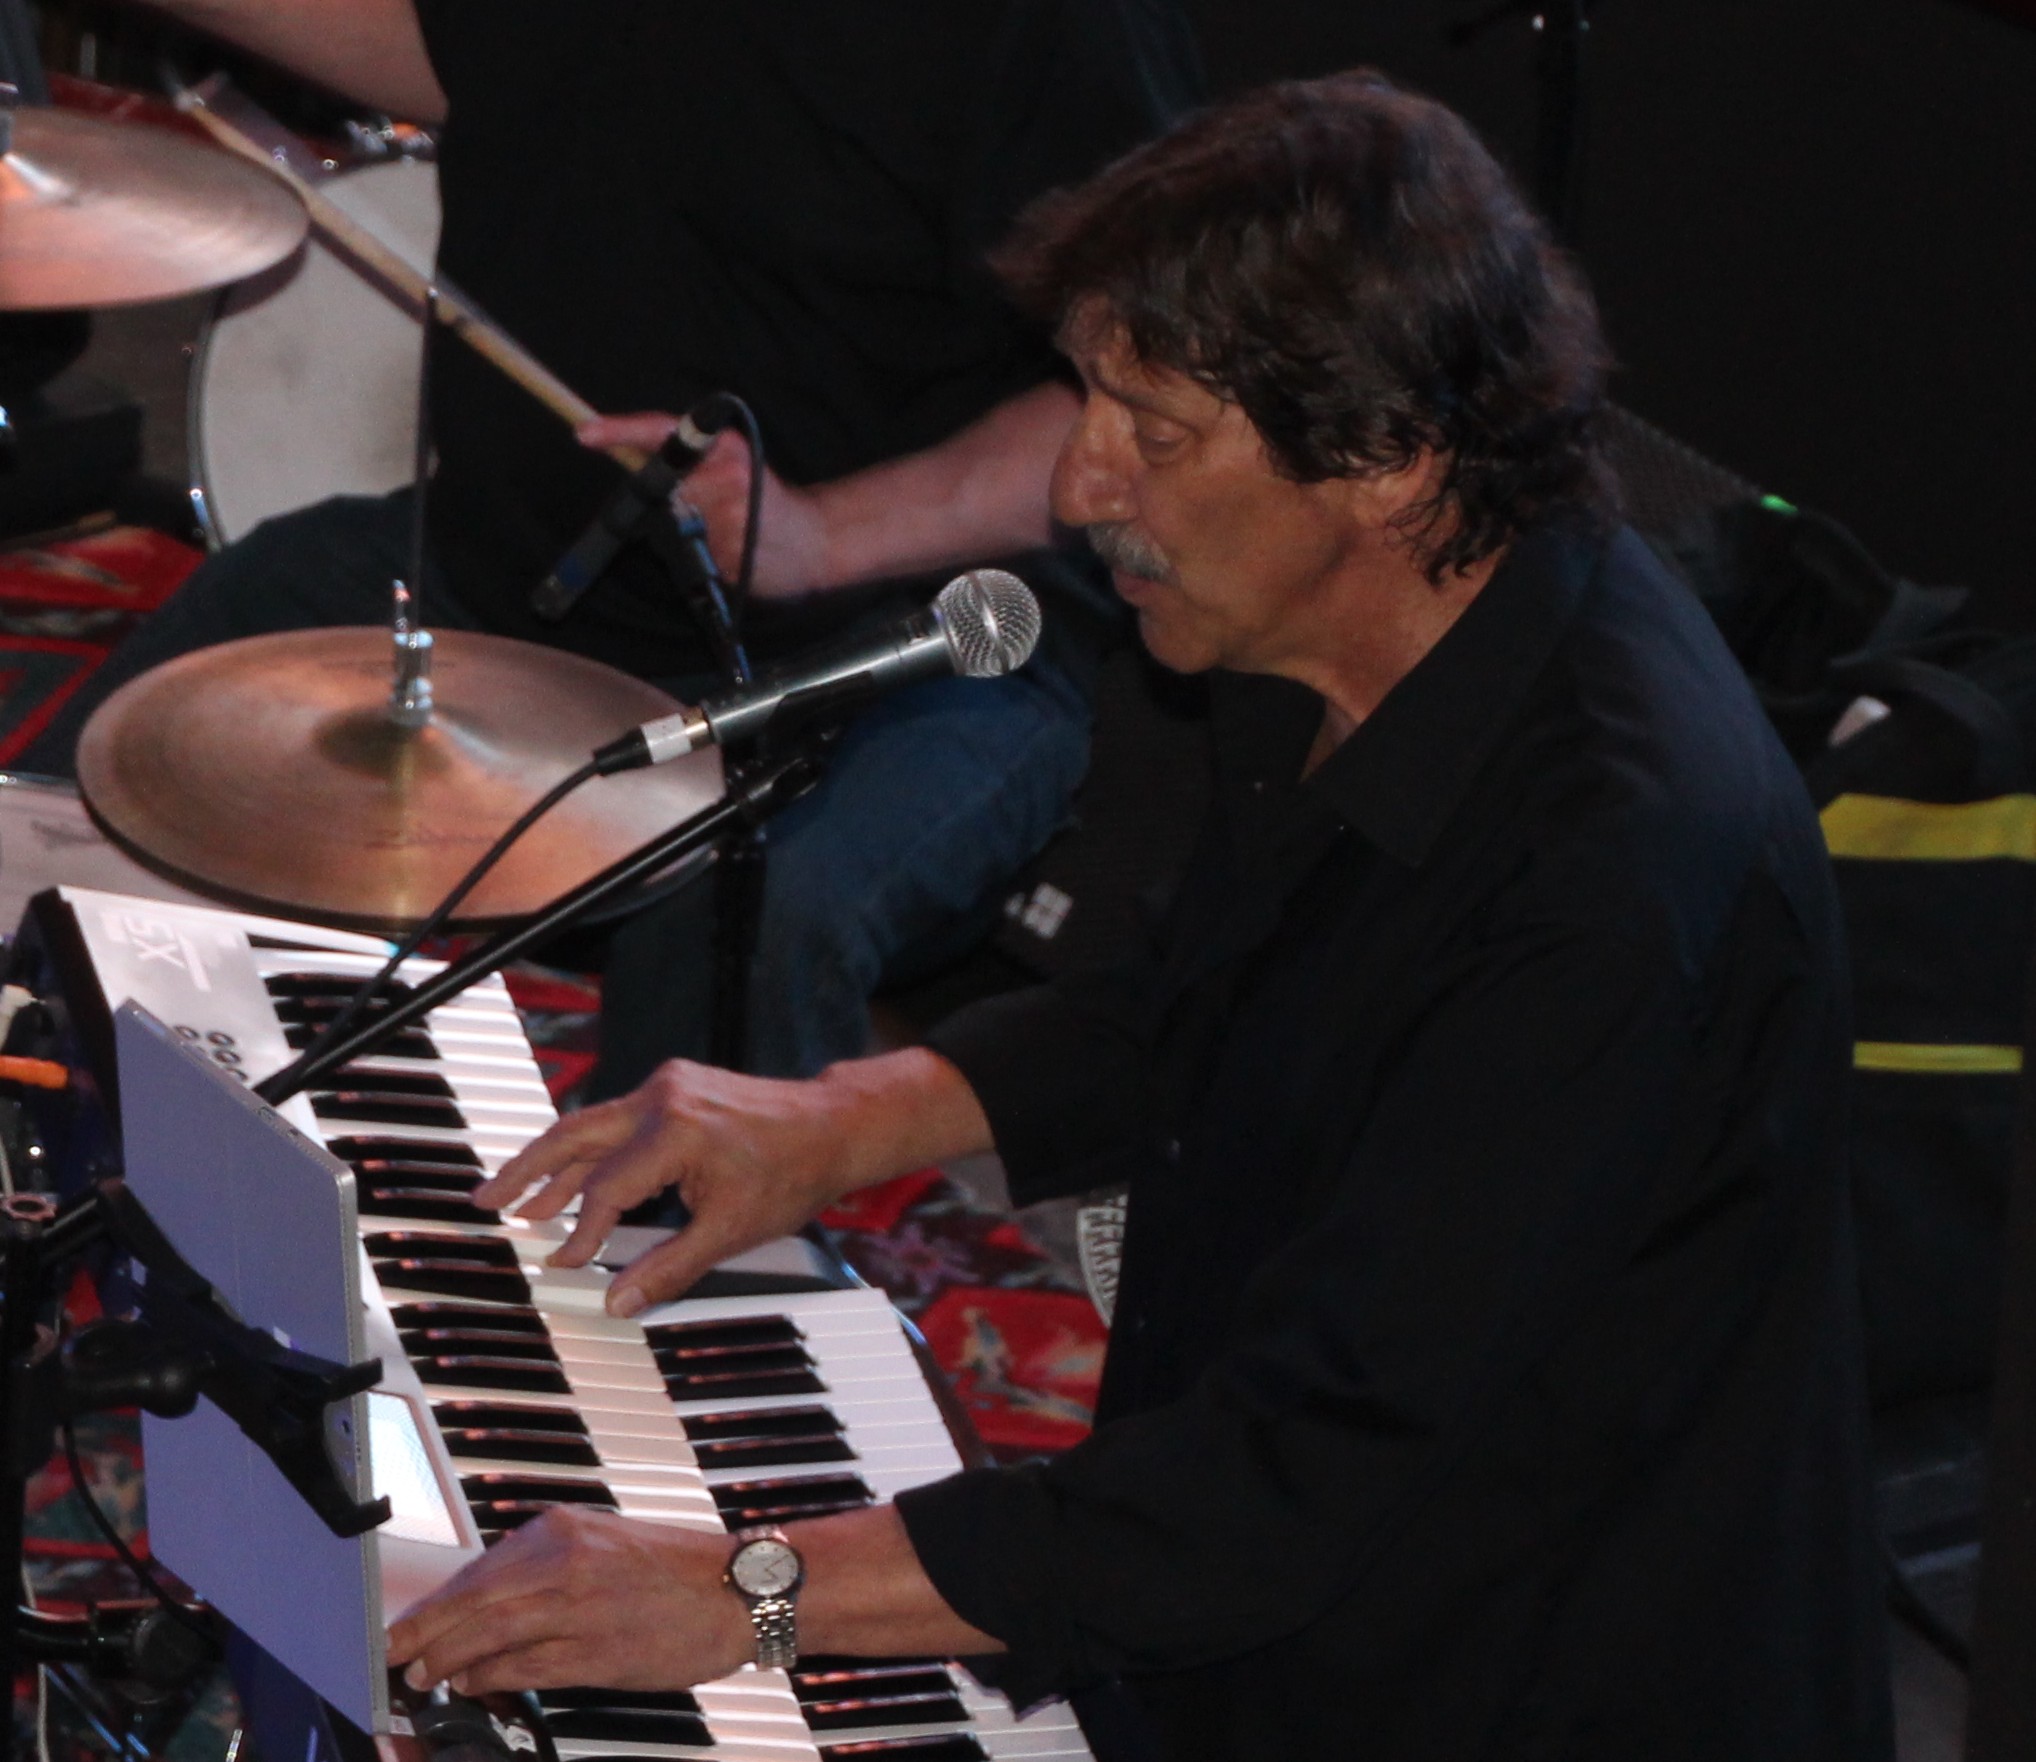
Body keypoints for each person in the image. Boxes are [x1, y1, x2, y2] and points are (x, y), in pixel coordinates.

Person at [384, 71, 1893, 1762]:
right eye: (1089, 400)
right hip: (1282, 1584)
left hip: (1520, 1679)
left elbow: (1293, 1482)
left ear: (1387, 461)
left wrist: (748, 1591)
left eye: (1153, 433)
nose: (1083, 483)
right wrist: (836, 1120)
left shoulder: (1612, 882)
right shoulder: (1338, 626)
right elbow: (1207, 990)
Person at [27, 0, 1199, 1083]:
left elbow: (1164, 383)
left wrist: (825, 533)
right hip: (507, 576)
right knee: (95, 793)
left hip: (894, 653)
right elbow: (443, 46)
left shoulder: (1056, 30)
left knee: (745, 928)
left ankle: (699, 1240)